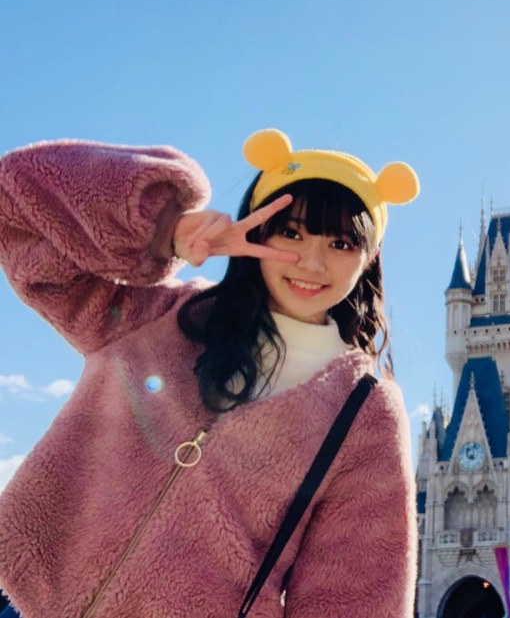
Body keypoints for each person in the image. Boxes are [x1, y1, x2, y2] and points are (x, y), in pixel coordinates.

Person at [0, 128, 420, 617]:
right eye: (291, 232)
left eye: (341, 243)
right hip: (20, 601)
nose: (311, 261)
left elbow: (355, 597)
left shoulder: (363, 409)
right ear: (258, 231)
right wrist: (166, 231)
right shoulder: (164, 317)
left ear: (368, 258)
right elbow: (16, 196)